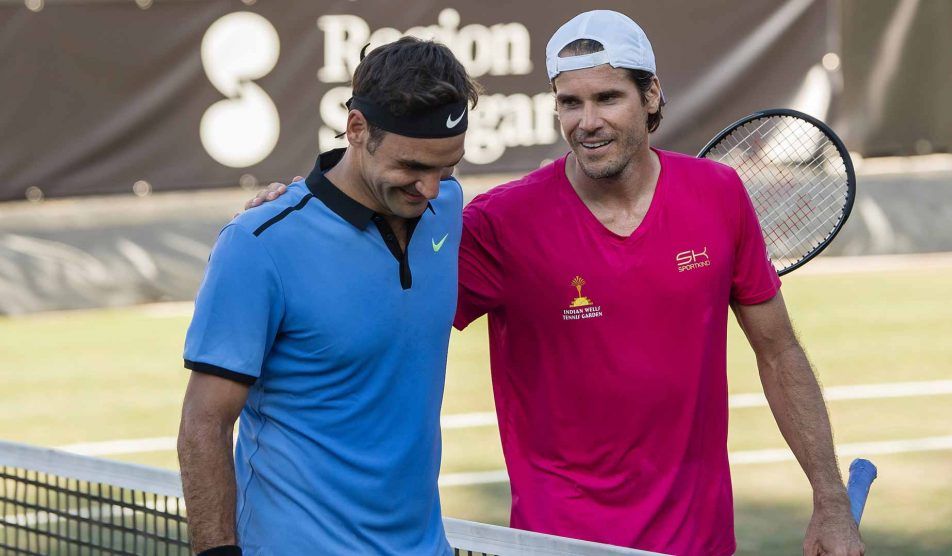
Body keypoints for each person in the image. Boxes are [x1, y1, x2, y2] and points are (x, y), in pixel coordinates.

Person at [250, 11, 865, 556]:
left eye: (607, 98)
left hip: (699, 541)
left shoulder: (719, 194)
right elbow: (372, 302)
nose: (587, 122)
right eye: (569, 103)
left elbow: (778, 351)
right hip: (555, 542)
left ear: (651, 96)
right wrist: (298, 212)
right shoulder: (499, 223)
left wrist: (830, 500)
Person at [178, 37, 478, 556]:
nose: (430, 189)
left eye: (446, 168)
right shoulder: (259, 244)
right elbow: (204, 422)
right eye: (412, 167)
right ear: (357, 128)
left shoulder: (447, 209)